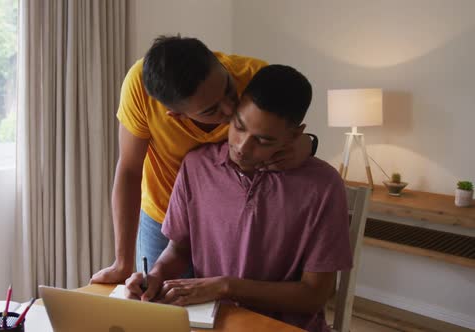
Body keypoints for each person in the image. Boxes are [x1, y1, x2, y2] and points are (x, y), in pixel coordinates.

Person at [124, 65, 352, 332]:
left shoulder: (323, 186)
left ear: (294, 136)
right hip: (211, 323)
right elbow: (178, 249)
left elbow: (314, 296)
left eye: (263, 140)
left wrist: (226, 286)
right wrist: (155, 276)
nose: (243, 147)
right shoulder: (197, 165)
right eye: (239, 127)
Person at [91, 36, 318, 284]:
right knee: (159, 307)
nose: (231, 110)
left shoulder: (255, 75)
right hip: (162, 215)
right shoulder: (140, 89)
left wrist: (306, 144)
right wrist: (123, 262)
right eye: (212, 110)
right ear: (176, 115)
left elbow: (285, 130)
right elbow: (129, 171)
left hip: (228, 222)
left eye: (230, 91)